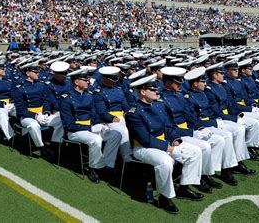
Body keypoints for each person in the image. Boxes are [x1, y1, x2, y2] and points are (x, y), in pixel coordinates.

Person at [126, 74, 204, 214]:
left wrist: (175, 139)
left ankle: (184, 188)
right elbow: (145, 139)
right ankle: (164, 197)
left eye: (156, 89)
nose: (157, 91)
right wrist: (168, 147)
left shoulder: (159, 106)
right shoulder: (133, 113)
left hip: (164, 142)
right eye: (153, 90)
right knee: (166, 162)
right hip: (143, 148)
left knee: (195, 151)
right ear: (143, 92)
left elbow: (168, 126)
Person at [60, 68, 122, 183]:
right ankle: (94, 168)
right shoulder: (66, 99)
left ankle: (108, 165)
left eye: (88, 79)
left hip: (90, 127)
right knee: (96, 139)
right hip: (74, 131)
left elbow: (94, 115)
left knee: (116, 135)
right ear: (76, 82)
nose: (88, 81)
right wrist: (89, 128)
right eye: (85, 80)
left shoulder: (89, 95)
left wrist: (100, 124)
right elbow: (68, 125)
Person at [11, 62, 59, 160]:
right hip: (27, 116)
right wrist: (35, 116)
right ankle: (42, 148)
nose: (38, 74)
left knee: (60, 120)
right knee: (33, 125)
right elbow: (20, 109)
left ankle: (55, 144)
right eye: (35, 72)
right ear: (28, 73)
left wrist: (46, 112)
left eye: (38, 72)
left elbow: (46, 100)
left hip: (42, 114)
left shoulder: (42, 85)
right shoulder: (19, 88)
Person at [93, 66, 133, 163]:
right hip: (109, 120)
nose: (114, 81)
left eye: (115, 78)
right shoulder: (98, 92)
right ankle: (127, 157)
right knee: (123, 130)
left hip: (122, 117)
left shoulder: (119, 91)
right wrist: (112, 118)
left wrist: (130, 115)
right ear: (105, 78)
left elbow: (126, 107)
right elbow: (102, 112)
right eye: (112, 79)